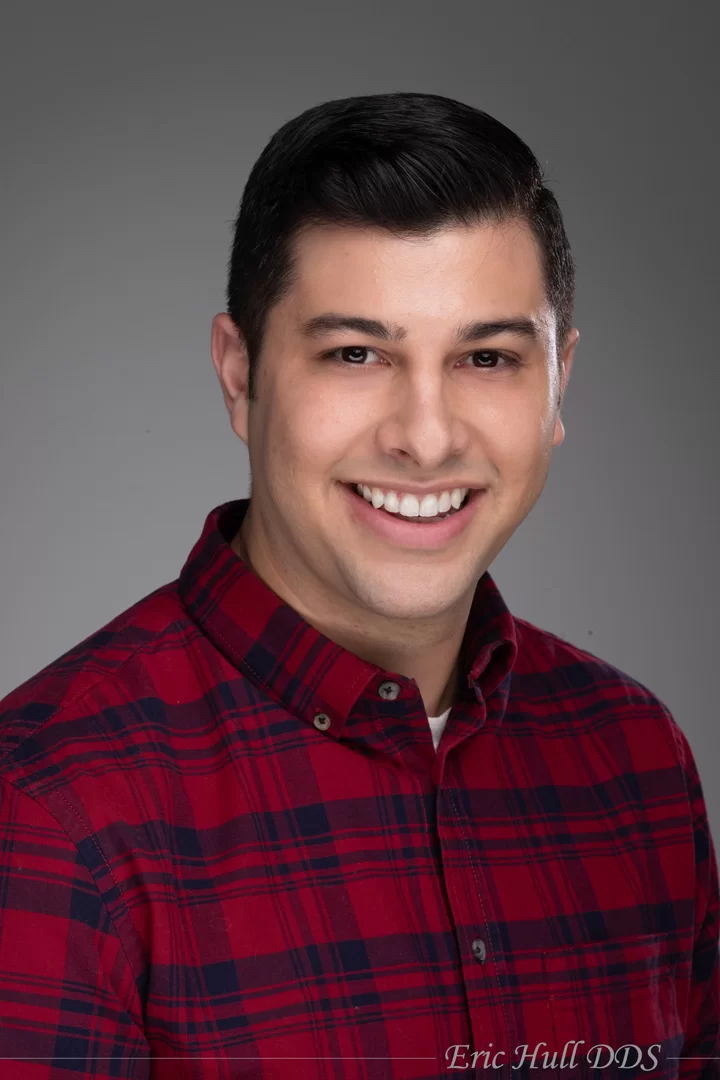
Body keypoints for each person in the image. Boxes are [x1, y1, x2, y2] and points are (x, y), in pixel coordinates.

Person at [0, 92, 716, 1080]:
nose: (425, 436)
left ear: (558, 387)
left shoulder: (636, 761)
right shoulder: (47, 809)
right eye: (356, 354)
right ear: (240, 374)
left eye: (486, 358)